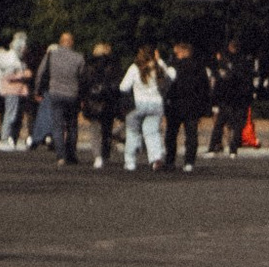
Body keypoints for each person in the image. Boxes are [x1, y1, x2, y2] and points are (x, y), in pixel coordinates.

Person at [32, 27, 83, 162]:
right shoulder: (79, 57)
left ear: (60, 42)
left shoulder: (51, 55)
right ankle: (71, 153)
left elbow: (41, 72)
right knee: (72, 125)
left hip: (55, 93)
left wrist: (37, 90)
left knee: (58, 125)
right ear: (71, 42)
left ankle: (61, 155)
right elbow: (83, 78)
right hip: (72, 94)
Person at [120, 42, 169, 174]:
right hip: (156, 104)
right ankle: (156, 158)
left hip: (137, 104)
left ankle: (130, 162)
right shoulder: (159, 67)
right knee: (152, 132)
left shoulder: (135, 68)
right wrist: (159, 60)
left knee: (132, 133)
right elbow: (171, 77)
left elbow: (123, 87)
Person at [165, 41, 210, 171]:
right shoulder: (199, 67)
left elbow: (168, 86)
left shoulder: (174, 66)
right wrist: (205, 108)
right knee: (191, 135)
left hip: (175, 104)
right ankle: (189, 162)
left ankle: (170, 160)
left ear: (183, 52)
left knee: (171, 134)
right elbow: (204, 89)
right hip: (193, 105)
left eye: (177, 53)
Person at [81, 41, 120, 172]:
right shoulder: (113, 65)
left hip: (93, 100)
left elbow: (84, 81)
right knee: (107, 130)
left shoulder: (89, 64)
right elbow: (116, 83)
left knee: (95, 130)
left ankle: (97, 156)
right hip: (108, 100)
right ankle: (105, 154)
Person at [208, 48, 251, 156]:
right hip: (236, 101)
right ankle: (232, 149)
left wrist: (215, 102)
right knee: (235, 126)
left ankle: (214, 147)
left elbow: (218, 86)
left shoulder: (223, 69)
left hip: (226, 101)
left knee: (219, 124)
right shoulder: (242, 67)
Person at [0, 30, 28, 149]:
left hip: (17, 91)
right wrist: (23, 74)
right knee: (11, 115)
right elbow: (7, 75)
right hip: (11, 90)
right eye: (24, 46)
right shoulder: (11, 58)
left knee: (16, 115)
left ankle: (12, 138)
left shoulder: (16, 58)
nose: (25, 49)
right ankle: (4, 139)